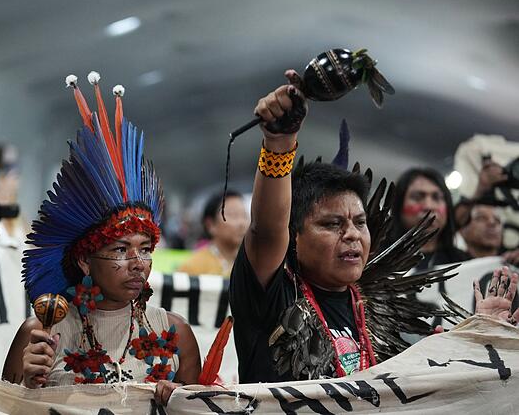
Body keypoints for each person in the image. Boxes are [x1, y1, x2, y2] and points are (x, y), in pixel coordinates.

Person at [229, 71, 453, 384]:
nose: (352, 234)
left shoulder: (373, 305)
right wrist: (279, 143)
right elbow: (267, 229)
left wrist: (482, 332)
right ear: (293, 237)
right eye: (331, 224)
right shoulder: (272, 293)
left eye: (359, 222)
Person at [2, 73, 200, 405]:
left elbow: (202, 411)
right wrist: (26, 385)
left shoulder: (176, 333)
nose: (138, 264)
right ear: (84, 259)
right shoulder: (41, 332)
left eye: (146, 249)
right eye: (121, 249)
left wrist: (180, 404)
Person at [389, 167, 469, 271]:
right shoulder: (375, 259)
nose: (429, 206)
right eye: (417, 197)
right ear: (399, 206)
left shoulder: (464, 263)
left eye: (436, 197)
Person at [177, 190, 249, 277]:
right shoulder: (193, 268)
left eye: (244, 215)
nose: (242, 223)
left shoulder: (253, 264)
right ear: (210, 225)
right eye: (233, 215)